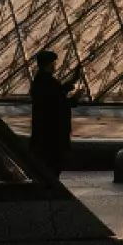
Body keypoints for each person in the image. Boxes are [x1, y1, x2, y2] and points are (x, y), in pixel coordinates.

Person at [28, 50, 82, 178]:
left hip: (41, 132)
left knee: (44, 167)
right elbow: (60, 104)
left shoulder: (39, 81)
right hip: (52, 134)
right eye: (54, 63)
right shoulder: (49, 82)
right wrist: (76, 98)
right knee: (53, 167)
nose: (55, 66)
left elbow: (57, 92)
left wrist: (73, 79)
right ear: (49, 64)